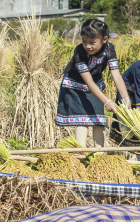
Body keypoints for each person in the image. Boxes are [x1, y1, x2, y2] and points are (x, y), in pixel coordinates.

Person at [55, 19, 130, 147]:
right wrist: (107, 101)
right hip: (76, 87)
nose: (88, 46)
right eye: (84, 41)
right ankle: (81, 151)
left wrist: (126, 99)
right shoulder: (79, 51)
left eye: (92, 42)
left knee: (98, 119)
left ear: (105, 39)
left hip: (96, 86)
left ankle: (99, 153)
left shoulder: (109, 49)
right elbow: (88, 81)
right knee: (82, 119)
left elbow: (116, 74)